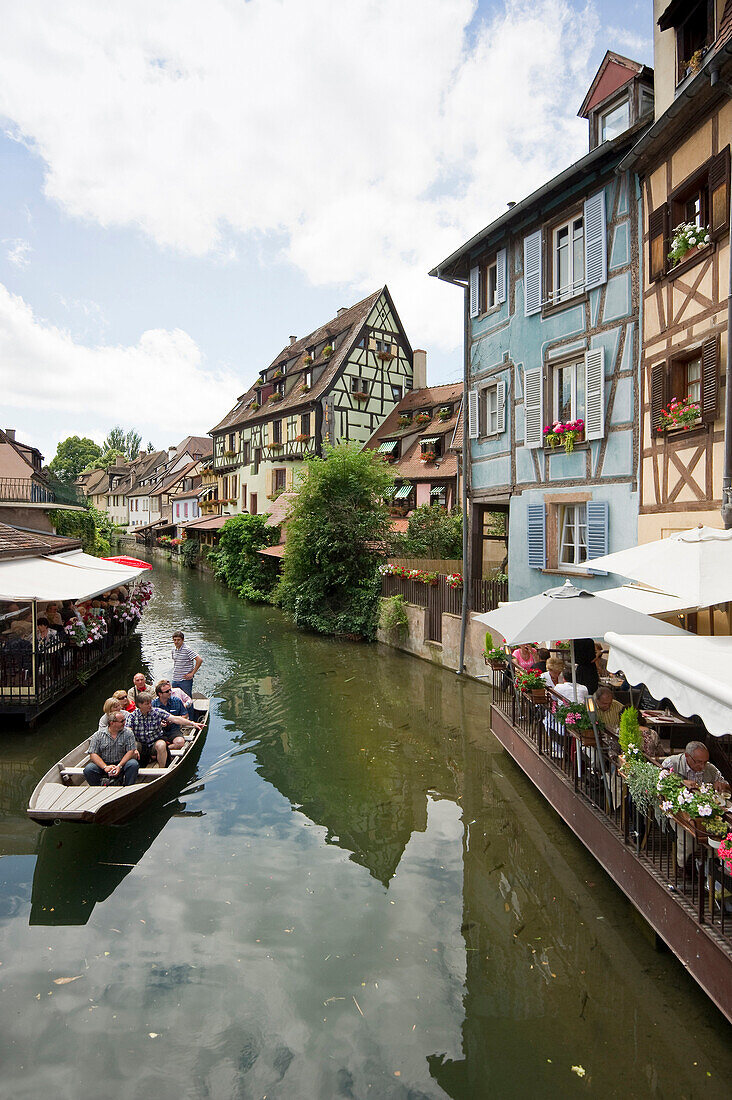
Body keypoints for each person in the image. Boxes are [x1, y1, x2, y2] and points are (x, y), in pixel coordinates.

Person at [126, 691, 202, 769]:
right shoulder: (132, 716)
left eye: (150, 703)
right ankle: (134, 768)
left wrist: (192, 723)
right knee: (132, 746)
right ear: (140, 705)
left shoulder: (156, 712)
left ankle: (161, 769)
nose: (150, 705)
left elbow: (175, 719)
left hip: (154, 743)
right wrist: (132, 748)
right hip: (141, 744)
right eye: (147, 704)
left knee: (161, 744)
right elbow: (128, 732)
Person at [84, 710, 139, 786]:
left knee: (133, 764)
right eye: (121, 721)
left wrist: (119, 766)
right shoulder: (98, 735)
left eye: (124, 720)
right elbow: (93, 754)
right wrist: (105, 767)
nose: (124, 722)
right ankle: (99, 786)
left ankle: (127, 786)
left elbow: (131, 751)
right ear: (112, 723)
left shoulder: (128, 733)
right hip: (105, 764)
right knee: (89, 769)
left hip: (122, 763)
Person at [662, 741, 730, 794]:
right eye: (698, 762)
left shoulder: (711, 769)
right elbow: (660, 782)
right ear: (687, 755)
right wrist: (682, 782)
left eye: (705, 762)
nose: (702, 766)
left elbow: (727, 786)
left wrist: (724, 786)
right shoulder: (671, 763)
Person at [171, 631, 202, 695]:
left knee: (187, 699)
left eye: (178, 640)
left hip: (185, 680)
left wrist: (192, 673)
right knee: (176, 699)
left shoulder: (187, 649)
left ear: (183, 640)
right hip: (175, 679)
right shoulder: (173, 650)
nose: (176, 642)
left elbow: (199, 660)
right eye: (175, 640)